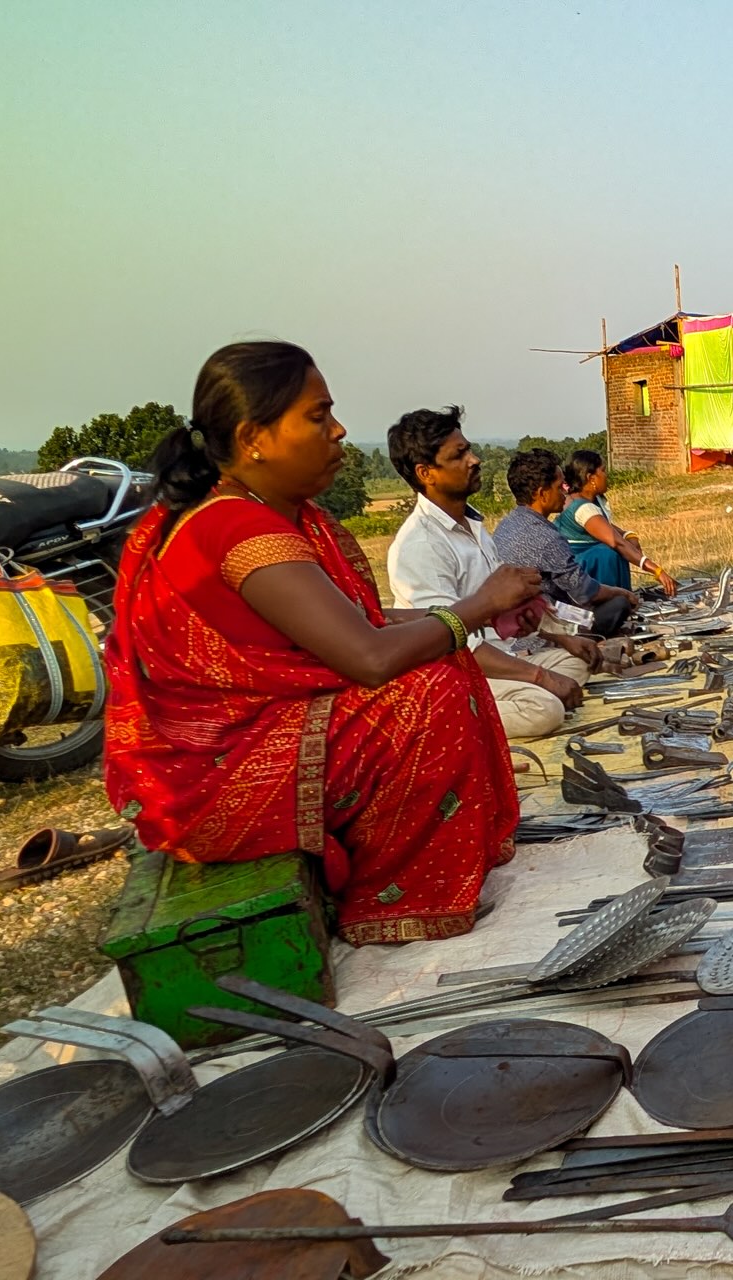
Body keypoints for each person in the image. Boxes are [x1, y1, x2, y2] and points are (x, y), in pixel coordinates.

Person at [105, 342, 530, 946]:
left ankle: (434, 862)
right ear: (254, 436)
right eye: (317, 415)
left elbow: (355, 618)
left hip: (257, 735)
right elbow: (370, 657)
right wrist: (475, 609)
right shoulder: (232, 524)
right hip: (214, 773)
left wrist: (487, 615)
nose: (338, 430)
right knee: (425, 690)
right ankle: (393, 900)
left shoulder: (274, 516)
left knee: (445, 654)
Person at [386, 407, 597, 742]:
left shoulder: (474, 526)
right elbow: (452, 643)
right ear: (427, 473)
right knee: (545, 708)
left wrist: (562, 637)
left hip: (501, 657)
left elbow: (504, 608)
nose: (475, 460)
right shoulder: (420, 545)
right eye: (460, 455)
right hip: (459, 672)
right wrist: (539, 677)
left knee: (576, 662)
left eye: (469, 449)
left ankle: (522, 690)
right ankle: (442, 726)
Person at [492, 448, 638, 638]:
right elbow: (585, 591)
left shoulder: (506, 524)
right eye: (560, 487)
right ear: (542, 494)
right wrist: (621, 593)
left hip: (510, 625)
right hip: (542, 630)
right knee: (618, 604)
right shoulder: (546, 537)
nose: (564, 492)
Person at [555, 449, 679, 595]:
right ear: (591, 478)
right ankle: (611, 601)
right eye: (603, 470)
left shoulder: (593, 500)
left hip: (586, 563)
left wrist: (628, 535)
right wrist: (656, 570)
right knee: (609, 553)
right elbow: (616, 541)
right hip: (580, 571)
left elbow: (604, 525)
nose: (606, 475)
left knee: (617, 549)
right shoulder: (582, 508)